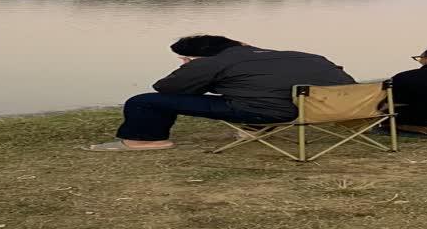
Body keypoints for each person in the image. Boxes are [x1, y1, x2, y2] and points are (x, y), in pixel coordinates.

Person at [86, 35, 354, 151]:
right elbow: (346, 82)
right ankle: (255, 129)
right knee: (255, 93)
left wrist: (197, 71)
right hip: (328, 110)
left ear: (193, 56)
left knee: (144, 102)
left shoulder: (211, 63)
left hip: (273, 112)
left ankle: (144, 140)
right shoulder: (305, 56)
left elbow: (166, 89)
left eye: (184, 58)